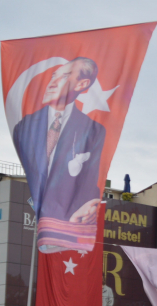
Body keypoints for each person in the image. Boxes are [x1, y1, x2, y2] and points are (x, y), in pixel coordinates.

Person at [11, 57, 106, 231]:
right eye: (53, 75)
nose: (52, 83)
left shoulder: (93, 131)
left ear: (81, 84)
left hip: (68, 222)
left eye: (63, 77)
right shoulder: (25, 127)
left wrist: (90, 206)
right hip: (29, 214)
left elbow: (90, 182)